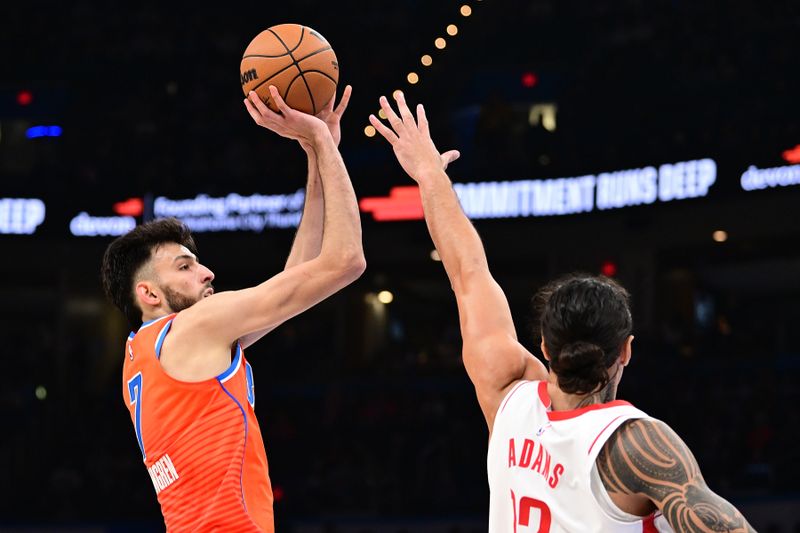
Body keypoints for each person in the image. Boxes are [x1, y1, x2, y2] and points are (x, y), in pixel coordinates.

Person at [369, 93, 754, 532]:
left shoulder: (505, 394)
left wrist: (429, 175)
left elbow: (468, 272)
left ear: (545, 346)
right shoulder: (635, 445)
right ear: (626, 350)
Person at [100, 84, 365, 532]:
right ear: (149, 293)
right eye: (185, 267)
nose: (207, 274)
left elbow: (290, 287)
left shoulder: (141, 356)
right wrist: (321, 140)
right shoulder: (195, 326)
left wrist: (319, 159)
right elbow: (345, 262)